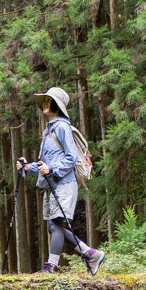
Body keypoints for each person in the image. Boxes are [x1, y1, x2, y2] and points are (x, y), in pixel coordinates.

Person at [14, 86, 106, 275]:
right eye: (44, 101)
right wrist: (27, 167)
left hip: (64, 183)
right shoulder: (48, 132)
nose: (45, 104)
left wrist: (52, 169)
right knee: (52, 226)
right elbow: (44, 165)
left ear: (57, 105)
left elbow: (71, 158)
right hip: (52, 184)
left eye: (49, 101)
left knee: (56, 224)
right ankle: (91, 254)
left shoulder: (62, 127)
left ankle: (51, 267)